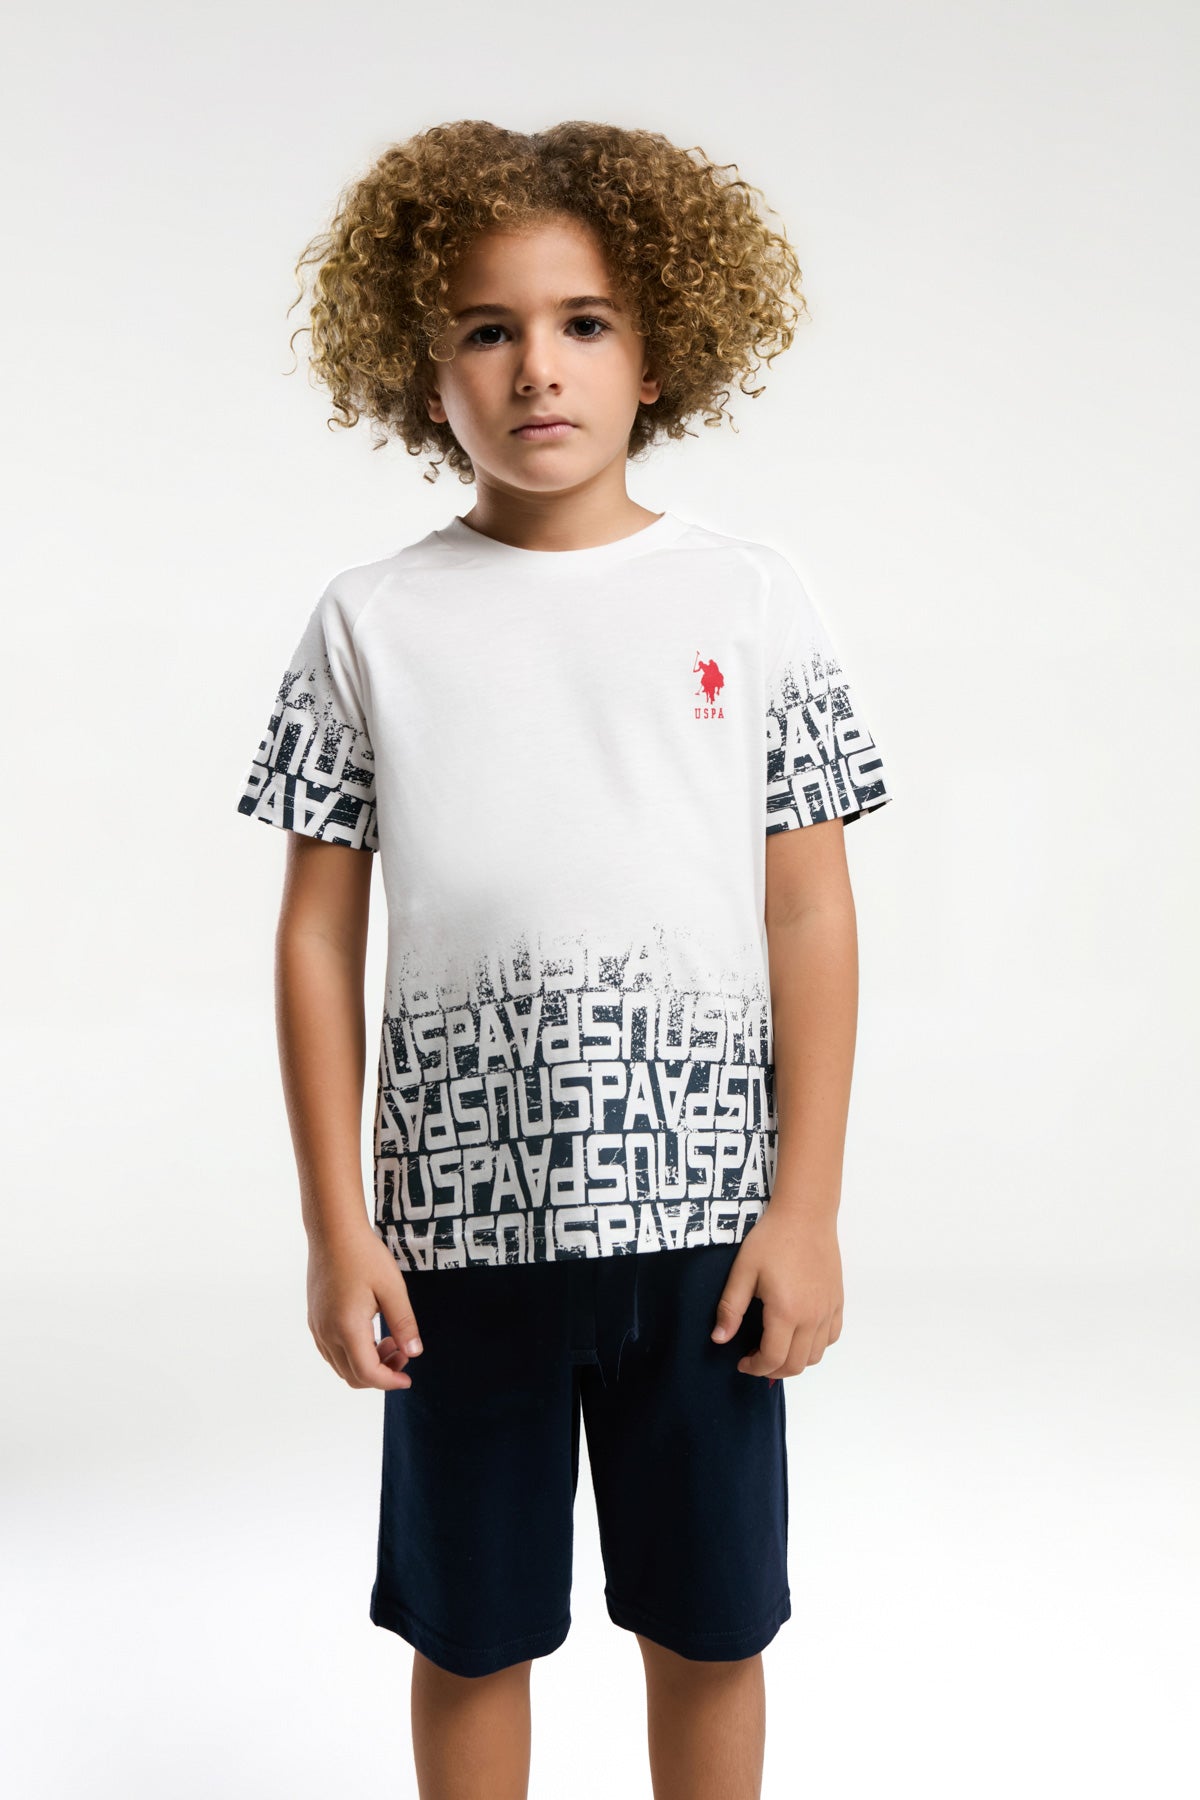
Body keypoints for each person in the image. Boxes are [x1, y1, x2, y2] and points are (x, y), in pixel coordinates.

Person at [235, 118, 893, 1800]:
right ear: (422, 370)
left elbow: (810, 911)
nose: (539, 367)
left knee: (713, 1622)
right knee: (471, 1631)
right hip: (458, 1236)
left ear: (657, 352)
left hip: (706, 1225)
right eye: (488, 327)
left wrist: (807, 1208)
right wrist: (337, 1227)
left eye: (584, 322)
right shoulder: (369, 621)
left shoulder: (752, 600)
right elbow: (318, 935)